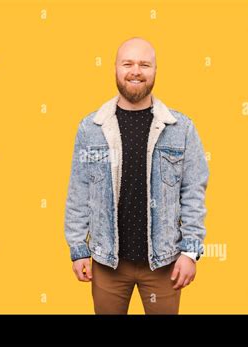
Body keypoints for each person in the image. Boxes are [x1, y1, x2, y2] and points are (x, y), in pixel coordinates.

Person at [64, 37, 210, 314]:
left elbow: (193, 192)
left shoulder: (181, 128)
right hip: (108, 263)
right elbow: (79, 191)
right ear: (115, 69)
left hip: (165, 263)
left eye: (145, 64)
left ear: (155, 71)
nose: (136, 71)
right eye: (127, 63)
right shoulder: (90, 128)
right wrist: (78, 248)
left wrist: (190, 252)